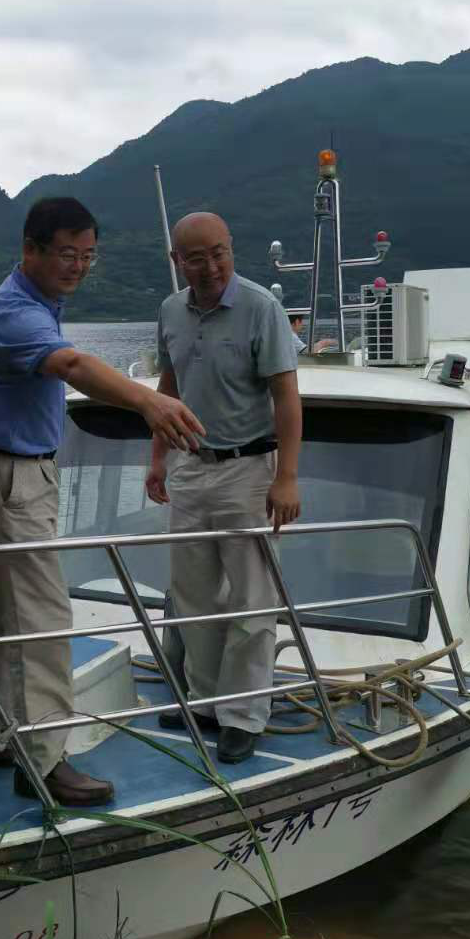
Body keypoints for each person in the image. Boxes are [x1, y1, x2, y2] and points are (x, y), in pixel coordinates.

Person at [0, 197, 205, 807]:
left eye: (88, 256)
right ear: (30, 249)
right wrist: (148, 401)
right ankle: (44, 761)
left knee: (0, 613)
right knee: (42, 621)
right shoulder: (17, 313)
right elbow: (72, 363)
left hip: (3, 470)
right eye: (67, 254)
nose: (79, 266)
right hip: (10, 477)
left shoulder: (36, 303)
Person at [145, 213, 302, 764]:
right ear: (177, 262)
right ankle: (206, 701)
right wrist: (158, 458)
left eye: (220, 253)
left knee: (252, 598)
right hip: (190, 466)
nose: (211, 267)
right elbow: (168, 386)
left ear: (231, 249)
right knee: (192, 595)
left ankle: (244, 713)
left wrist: (286, 476)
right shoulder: (170, 311)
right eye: (197, 258)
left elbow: (286, 395)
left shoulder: (261, 307)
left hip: (248, 469)